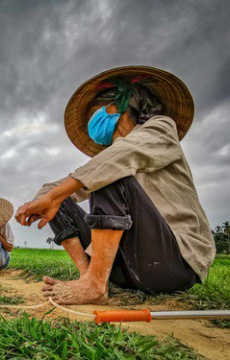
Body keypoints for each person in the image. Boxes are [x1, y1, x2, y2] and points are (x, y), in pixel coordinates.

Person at [15, 66, 215, 304]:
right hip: (126, 270)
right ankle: (88, 275)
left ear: (119, 106)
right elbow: (63, 185)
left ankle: (95, 284)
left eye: (96, 113)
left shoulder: (161, 128)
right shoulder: (110, 157)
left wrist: (56, 194)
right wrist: (42, 199)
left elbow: (115, 161)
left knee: (106, 174)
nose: (93, 120)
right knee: (61, 197)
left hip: (173, 264)